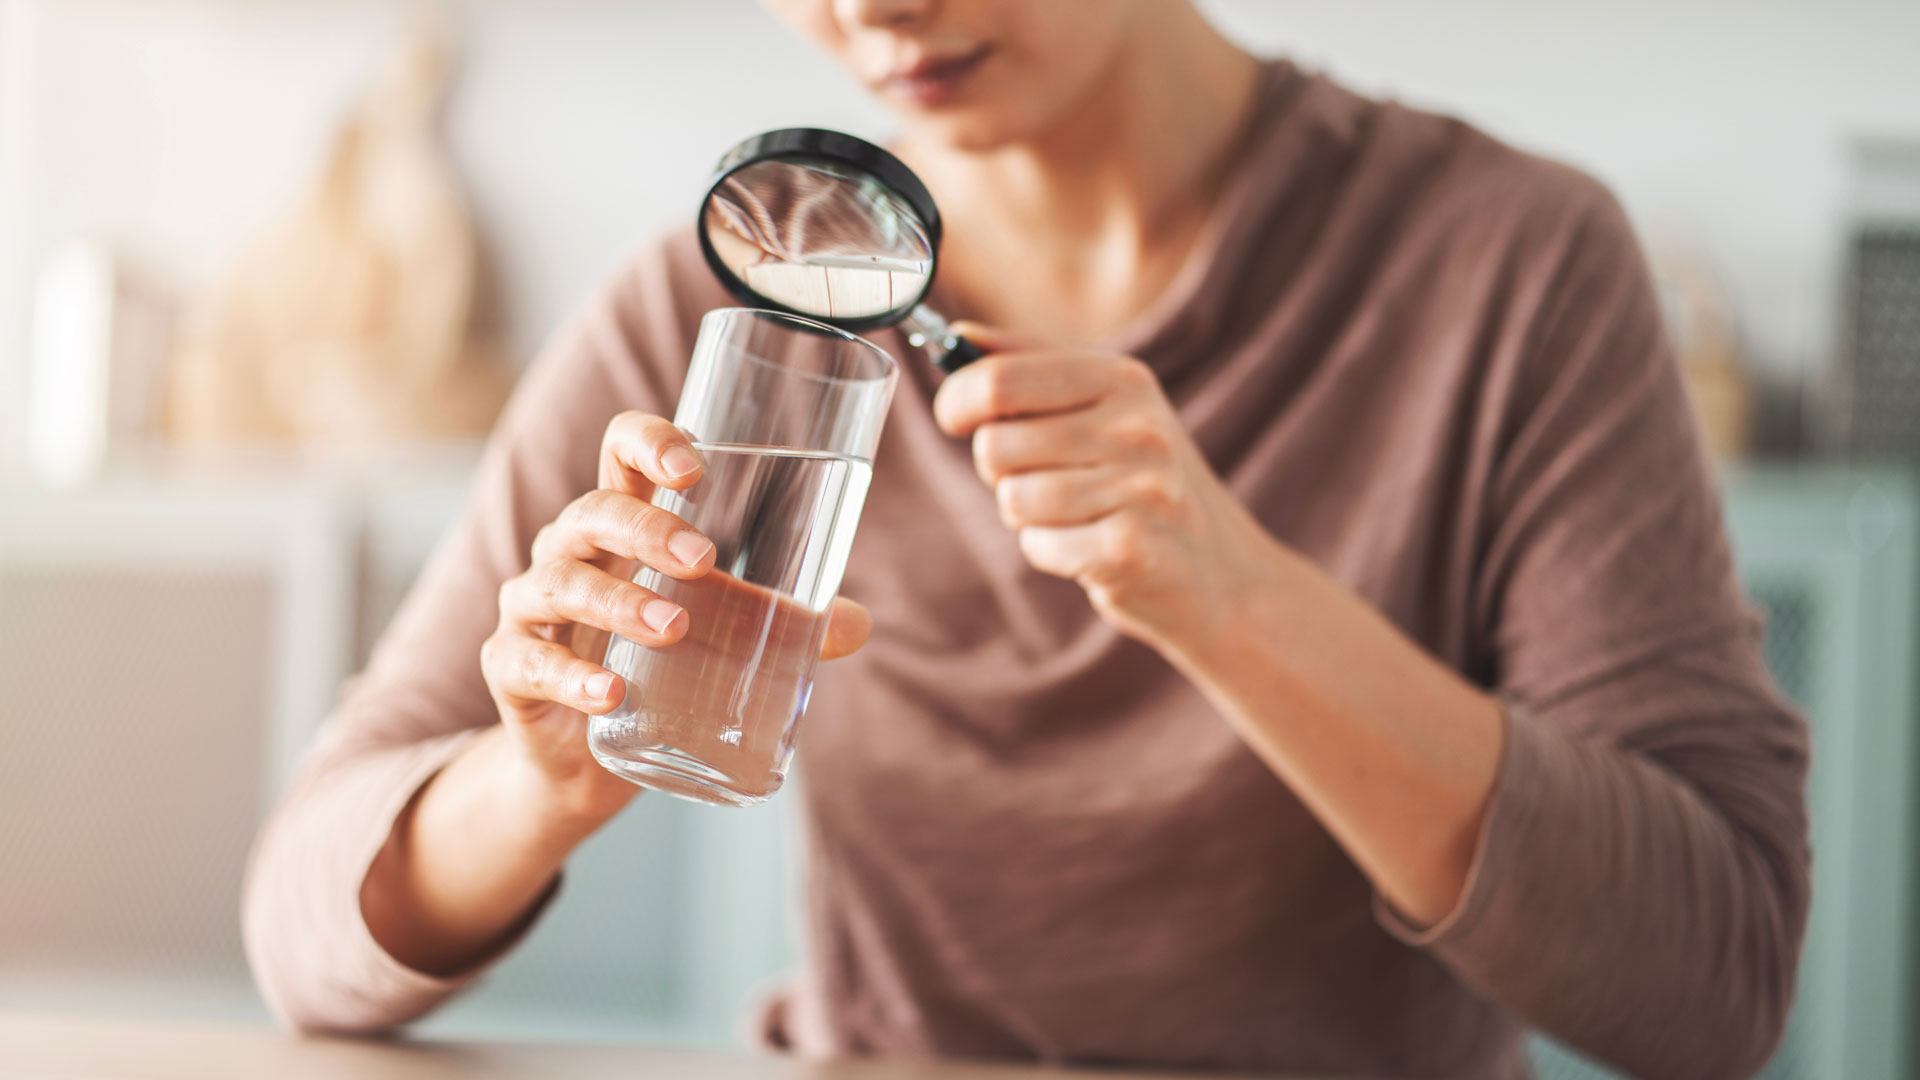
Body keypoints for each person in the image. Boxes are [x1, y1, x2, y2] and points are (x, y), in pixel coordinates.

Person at [242, 2, 1810, 1077]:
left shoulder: (1514, 268)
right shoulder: (718, 303)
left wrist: (1239, 602)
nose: (873, 10)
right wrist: (538, 781)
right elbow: (301, 936)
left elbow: (1716, 980)